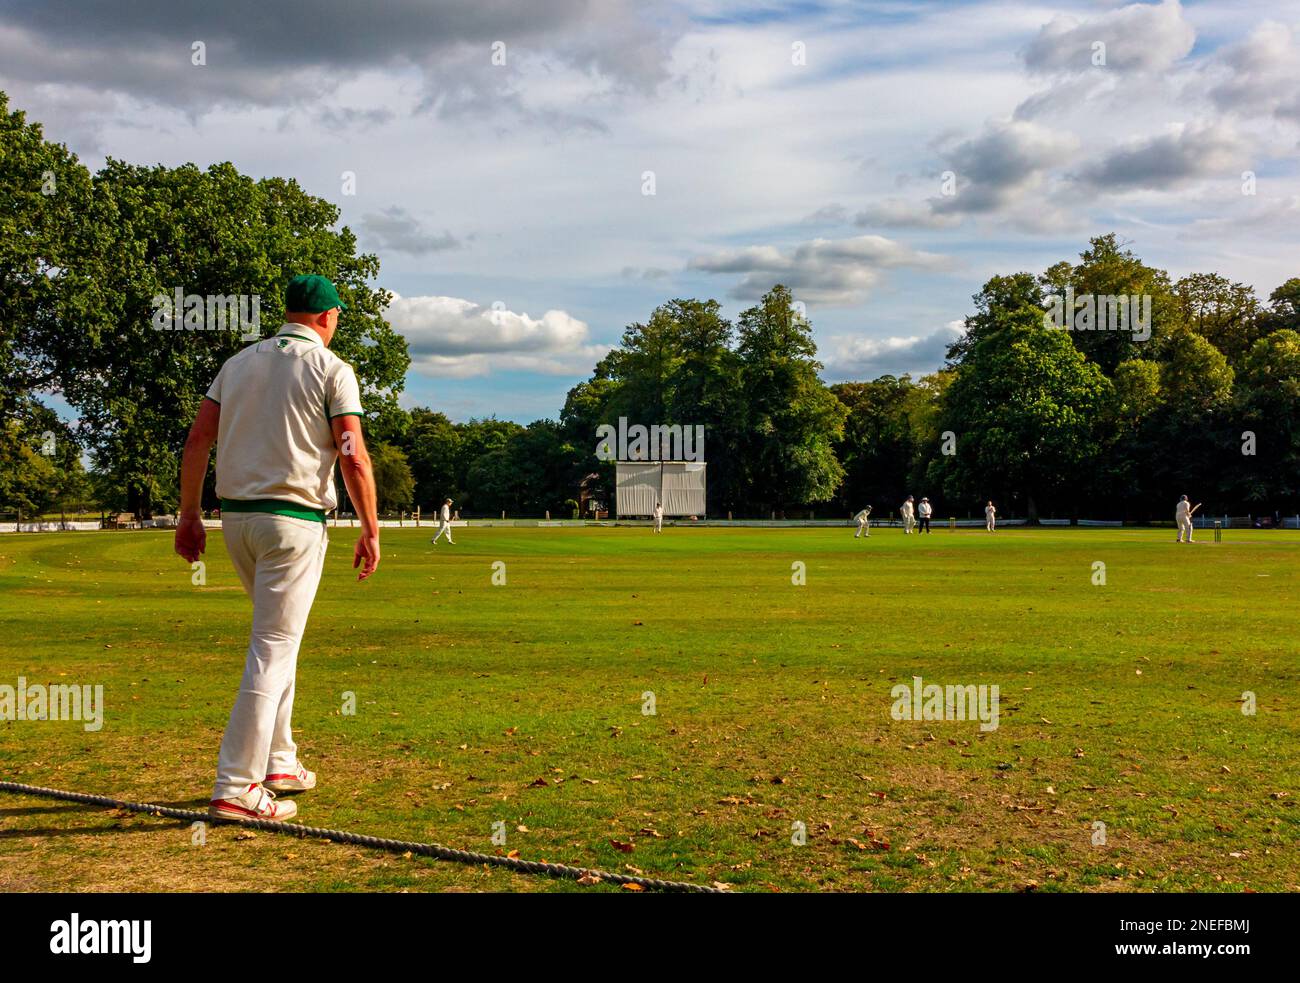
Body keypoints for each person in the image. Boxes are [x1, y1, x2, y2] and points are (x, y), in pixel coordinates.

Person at [175, 275, 379, 822]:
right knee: (273, 648)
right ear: (328, 317)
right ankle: (237, 786)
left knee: (278, 641)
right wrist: (371, 527)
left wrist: (189, 514)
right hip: (293, 522)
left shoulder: (238, 364)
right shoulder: (332, 369)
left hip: (237, 523)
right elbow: (353, 454)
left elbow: (198, 440)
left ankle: (280, 762)